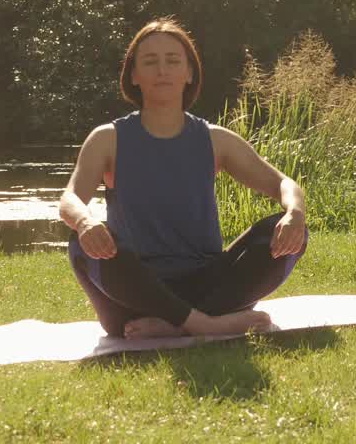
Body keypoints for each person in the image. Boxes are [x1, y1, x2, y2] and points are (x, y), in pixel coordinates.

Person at [59, 18, 308, 339]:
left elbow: (284, 185)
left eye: (172, 61)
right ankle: (205, 325)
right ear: (133, 75)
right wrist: (85, 222)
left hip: (207, 283)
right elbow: (70, 200)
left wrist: (295, 214)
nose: (162, 70)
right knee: (81, 244)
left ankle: (175, 325)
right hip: (135, 292)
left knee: (290, 233)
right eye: (150, 62)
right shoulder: (108, 139)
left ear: (189, 73)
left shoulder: (215, 140)